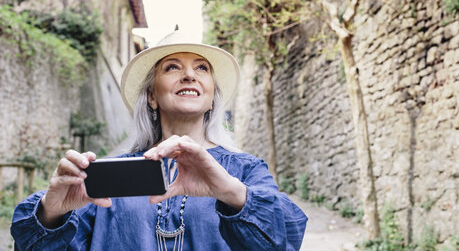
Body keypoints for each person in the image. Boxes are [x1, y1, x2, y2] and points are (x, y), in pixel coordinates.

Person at [11, 32, 308, 250]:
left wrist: (230, 192)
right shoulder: (108, 176)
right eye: (173, 67)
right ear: (152, 97)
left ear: (212, 100)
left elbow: (284, 239)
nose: (190, 75)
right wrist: (51, 212)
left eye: (202, 68)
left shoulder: (246, 171)